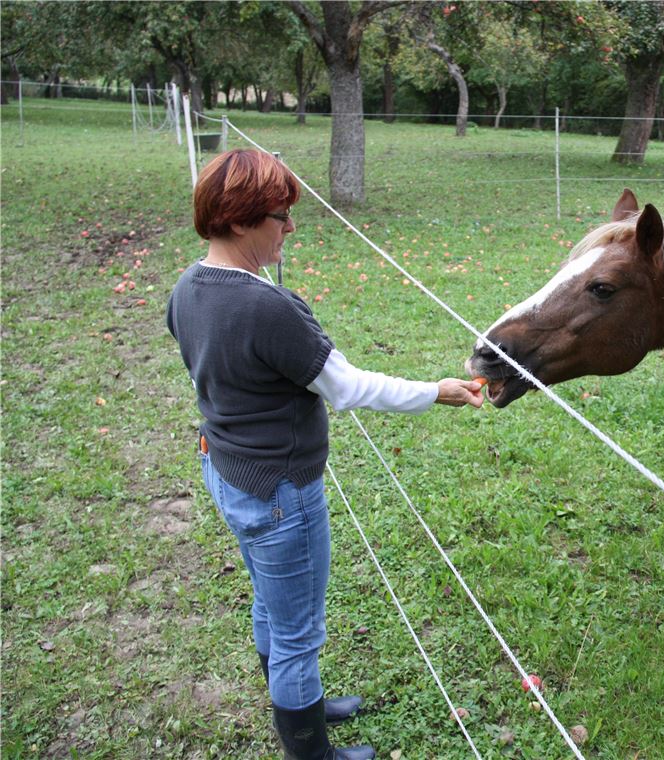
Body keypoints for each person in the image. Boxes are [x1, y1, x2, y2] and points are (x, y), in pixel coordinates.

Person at [166, 149, 483, 760]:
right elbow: (347, 387)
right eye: (279, 216)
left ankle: (298, 705)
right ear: (238, 222)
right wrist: (435, 392)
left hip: (226, 470)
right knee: (297, 632)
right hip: (281, 492)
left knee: (269, 600)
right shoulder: (267, 306)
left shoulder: (188, 287)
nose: (291, 228)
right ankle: (310, 750)